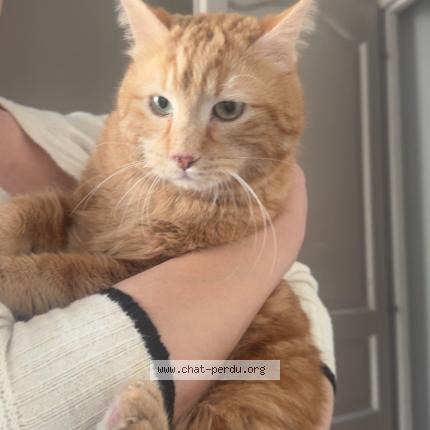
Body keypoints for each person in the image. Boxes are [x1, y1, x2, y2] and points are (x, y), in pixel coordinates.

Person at [0, 99, 335, 430]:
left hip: (254, 373)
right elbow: (23, 405)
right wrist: (285, 231)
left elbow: (291, 274)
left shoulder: (114, 125)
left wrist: (311, 383)